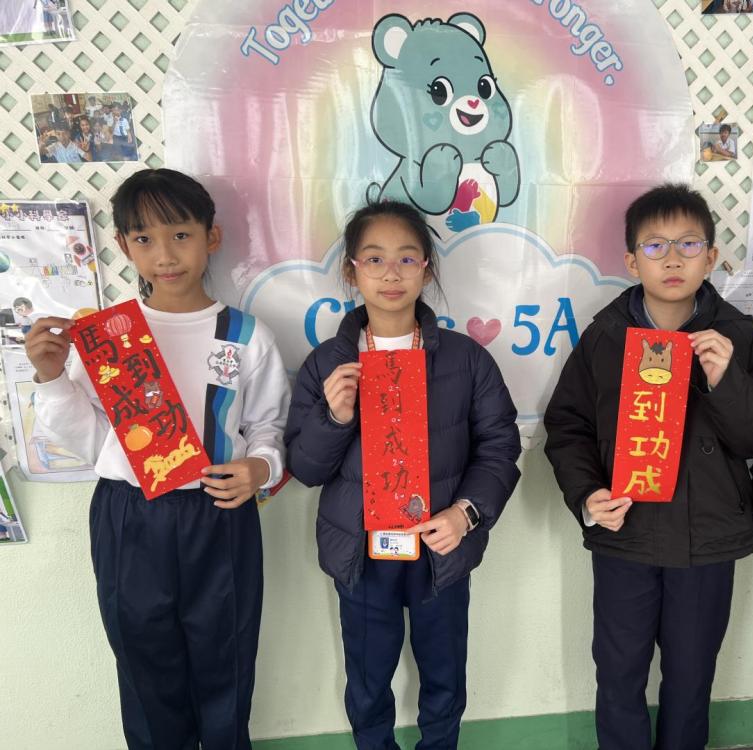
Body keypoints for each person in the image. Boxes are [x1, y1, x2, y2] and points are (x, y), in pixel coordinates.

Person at [26, 168, 290, 749]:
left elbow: (268, 426)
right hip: (130, 516)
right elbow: (90, 440)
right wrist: (51, 378)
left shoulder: (246, 335)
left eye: (180, 235)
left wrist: (260, 469)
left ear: (211, 237)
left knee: (227, 656)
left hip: (219, 515)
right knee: (143, 658)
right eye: (144, 238)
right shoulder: (107, 337)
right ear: (124, 246)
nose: (165, 255)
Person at [544, 183, 753, 750]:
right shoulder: (606, 337)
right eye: (655, 246)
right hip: (625, 535)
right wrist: (587, 496)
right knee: (618, 673)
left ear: (712, 256)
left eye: (688, 244)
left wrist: (726, 381)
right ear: (632, 261)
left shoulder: (739, 337)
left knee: (691, 677)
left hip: (708, 541)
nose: (673, 259)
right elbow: (568, 426)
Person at [284, 200, 521, 749]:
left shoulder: (466, 359)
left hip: (440, 547)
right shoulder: (327, 363)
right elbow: (307, 469)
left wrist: (465, 515)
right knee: (368, 680)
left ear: (426, 269)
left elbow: (499, 446)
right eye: (374, 259)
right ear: (352, 271)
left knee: (445, 674)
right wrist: (334, 417)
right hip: (361, 552)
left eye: (407, 258)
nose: (391, 273)